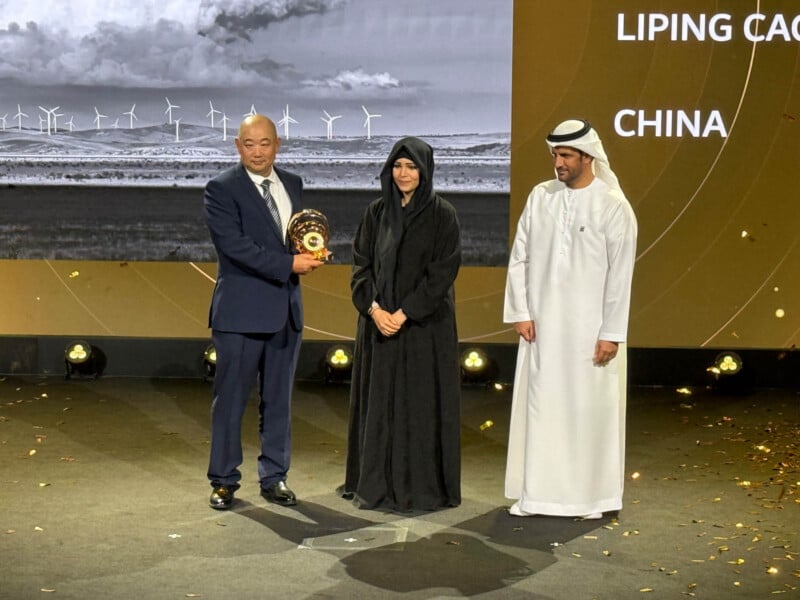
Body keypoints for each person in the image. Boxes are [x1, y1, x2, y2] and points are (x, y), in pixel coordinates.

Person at [503, 119, 637, 519]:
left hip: (590, 333)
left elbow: (620, 276)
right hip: (542, 330)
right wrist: (521, 311)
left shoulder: (613, 205)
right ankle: (537, 497)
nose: (557, 163)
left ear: (587, 156)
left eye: (565, 156)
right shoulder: (541, 196)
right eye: (555, 155)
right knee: (542, 408)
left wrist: (611, 333)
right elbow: (520, 255)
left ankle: (590, 500)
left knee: (585, 413)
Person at [203, 114, 323, 510]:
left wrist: (309, 253)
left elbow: (294, 238)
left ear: (278, 144)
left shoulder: (293, 184)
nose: (257, 151)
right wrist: (289, 266)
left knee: (278, 402)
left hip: (285, 313)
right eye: (249, 144)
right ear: (238, 147)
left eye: (265, 143)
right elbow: (234, 247)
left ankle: (275, 477)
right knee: (231, 402)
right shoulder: (221, 189)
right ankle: (223, 481)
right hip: (240, 315)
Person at [339, 136, 462, 512]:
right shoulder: (376, 213)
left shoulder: (444, 215)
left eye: (411, 167)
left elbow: (442, 274)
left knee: (419, 407)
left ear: (425, 172)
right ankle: (375, 483)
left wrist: (405, 313)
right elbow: (360, 266)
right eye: (397, 166)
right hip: (379, 327)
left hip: (424, 329)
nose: (404, 174)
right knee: (379, 406)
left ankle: (421, 487)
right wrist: (375, 311)